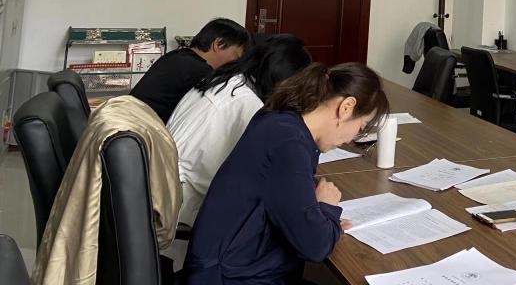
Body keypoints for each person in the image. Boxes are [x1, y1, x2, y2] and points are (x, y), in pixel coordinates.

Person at [184, 63, 390, 285]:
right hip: (231, 277)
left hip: (232, 265)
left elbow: (287, 195)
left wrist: (318, 217)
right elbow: (315, 247)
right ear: (346, 107)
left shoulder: (282, 118)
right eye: (361, 126)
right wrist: (327, 208)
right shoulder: (288, 143)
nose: (351, 139)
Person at [167, 34, 312, 230]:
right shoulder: (247, 104)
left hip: (172, 188)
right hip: (188, 206)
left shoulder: (228, 79)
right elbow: (264, 174)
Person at [133, 18, 251, 122]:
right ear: (219, 44)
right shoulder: (197, 69)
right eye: (237, 56)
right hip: (144, 132)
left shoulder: (179, 56)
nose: (236, 64)